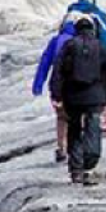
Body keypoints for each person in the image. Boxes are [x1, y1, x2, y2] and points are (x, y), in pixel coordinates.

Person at [55, 14, 106, 185]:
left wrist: (57, 95)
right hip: (95, 95)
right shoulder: (102, 47)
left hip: (72, 96)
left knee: (74, 129)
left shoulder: (69, 46)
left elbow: (58, 72)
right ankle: (89, 162)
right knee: (93, 127)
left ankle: (76, 169)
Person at [62, 0, 106, 151]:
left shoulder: (69, 17)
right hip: (96, 75)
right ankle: (90, 156)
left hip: (73, 77)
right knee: (93, 116)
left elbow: (62, 46)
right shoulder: (98, 16)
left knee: (74, 122)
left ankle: (74, 160)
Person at [31, 16, 81, 163]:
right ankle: (78, 146)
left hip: (57, 83)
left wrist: (38, 84)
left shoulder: (56, 40)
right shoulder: (81, 41)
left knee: (61, 117)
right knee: (78, 116)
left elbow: (45, 62)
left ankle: (62, 148)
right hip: (77, 84)